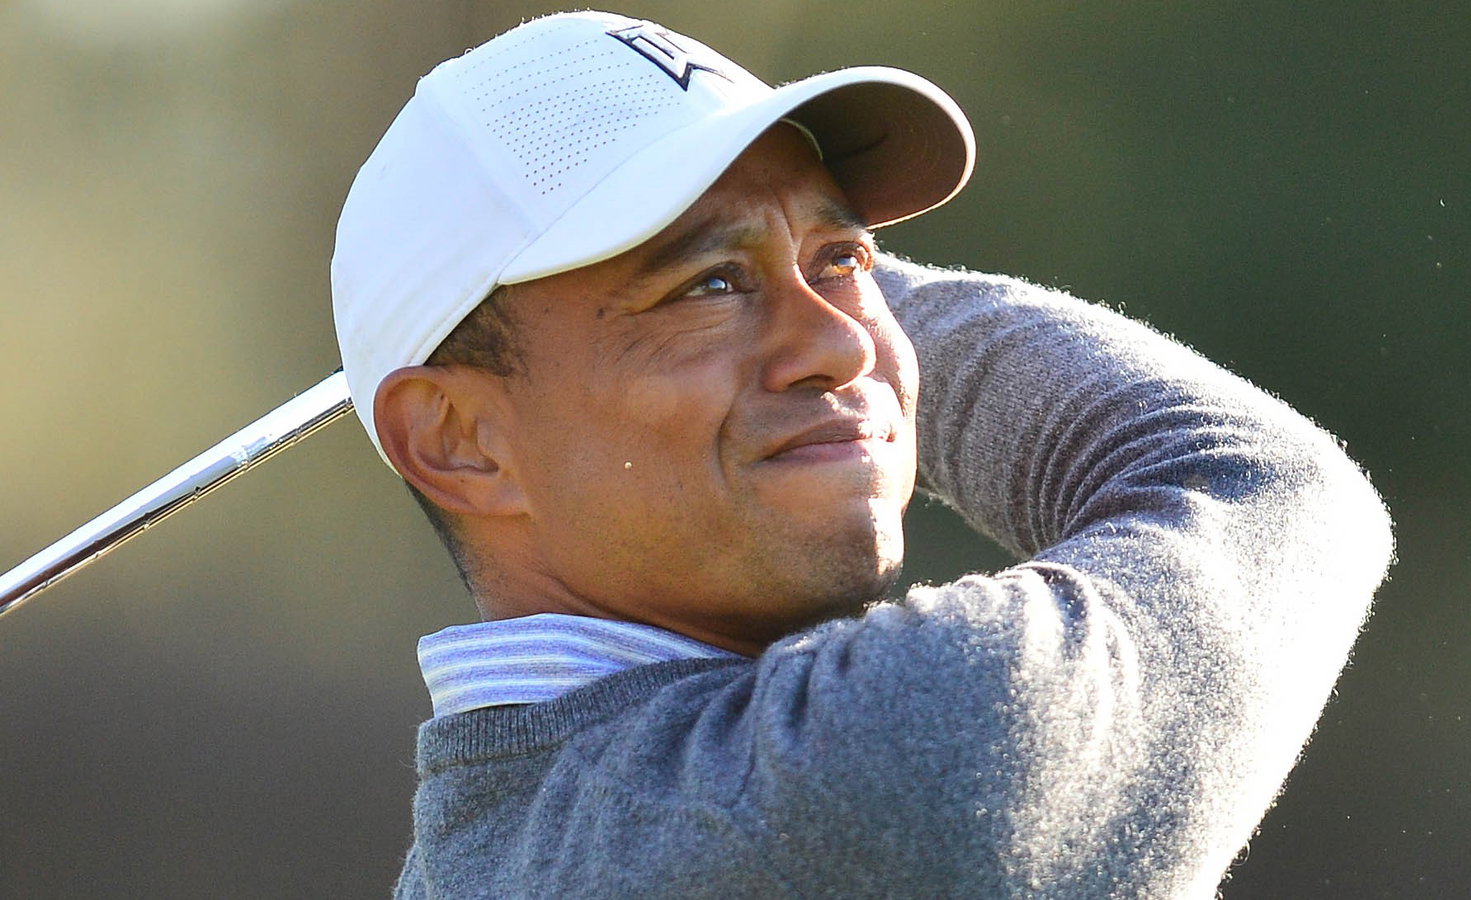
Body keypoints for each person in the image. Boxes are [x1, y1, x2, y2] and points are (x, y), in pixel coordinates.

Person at [331, 11, 1394, 899]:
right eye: (706, 285)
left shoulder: (494, 850)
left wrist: (786, 294)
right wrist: (830, 290)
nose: (845, 342)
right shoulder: (871, 762)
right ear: (458, 442)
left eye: (845, 260)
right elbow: (1260, 485)